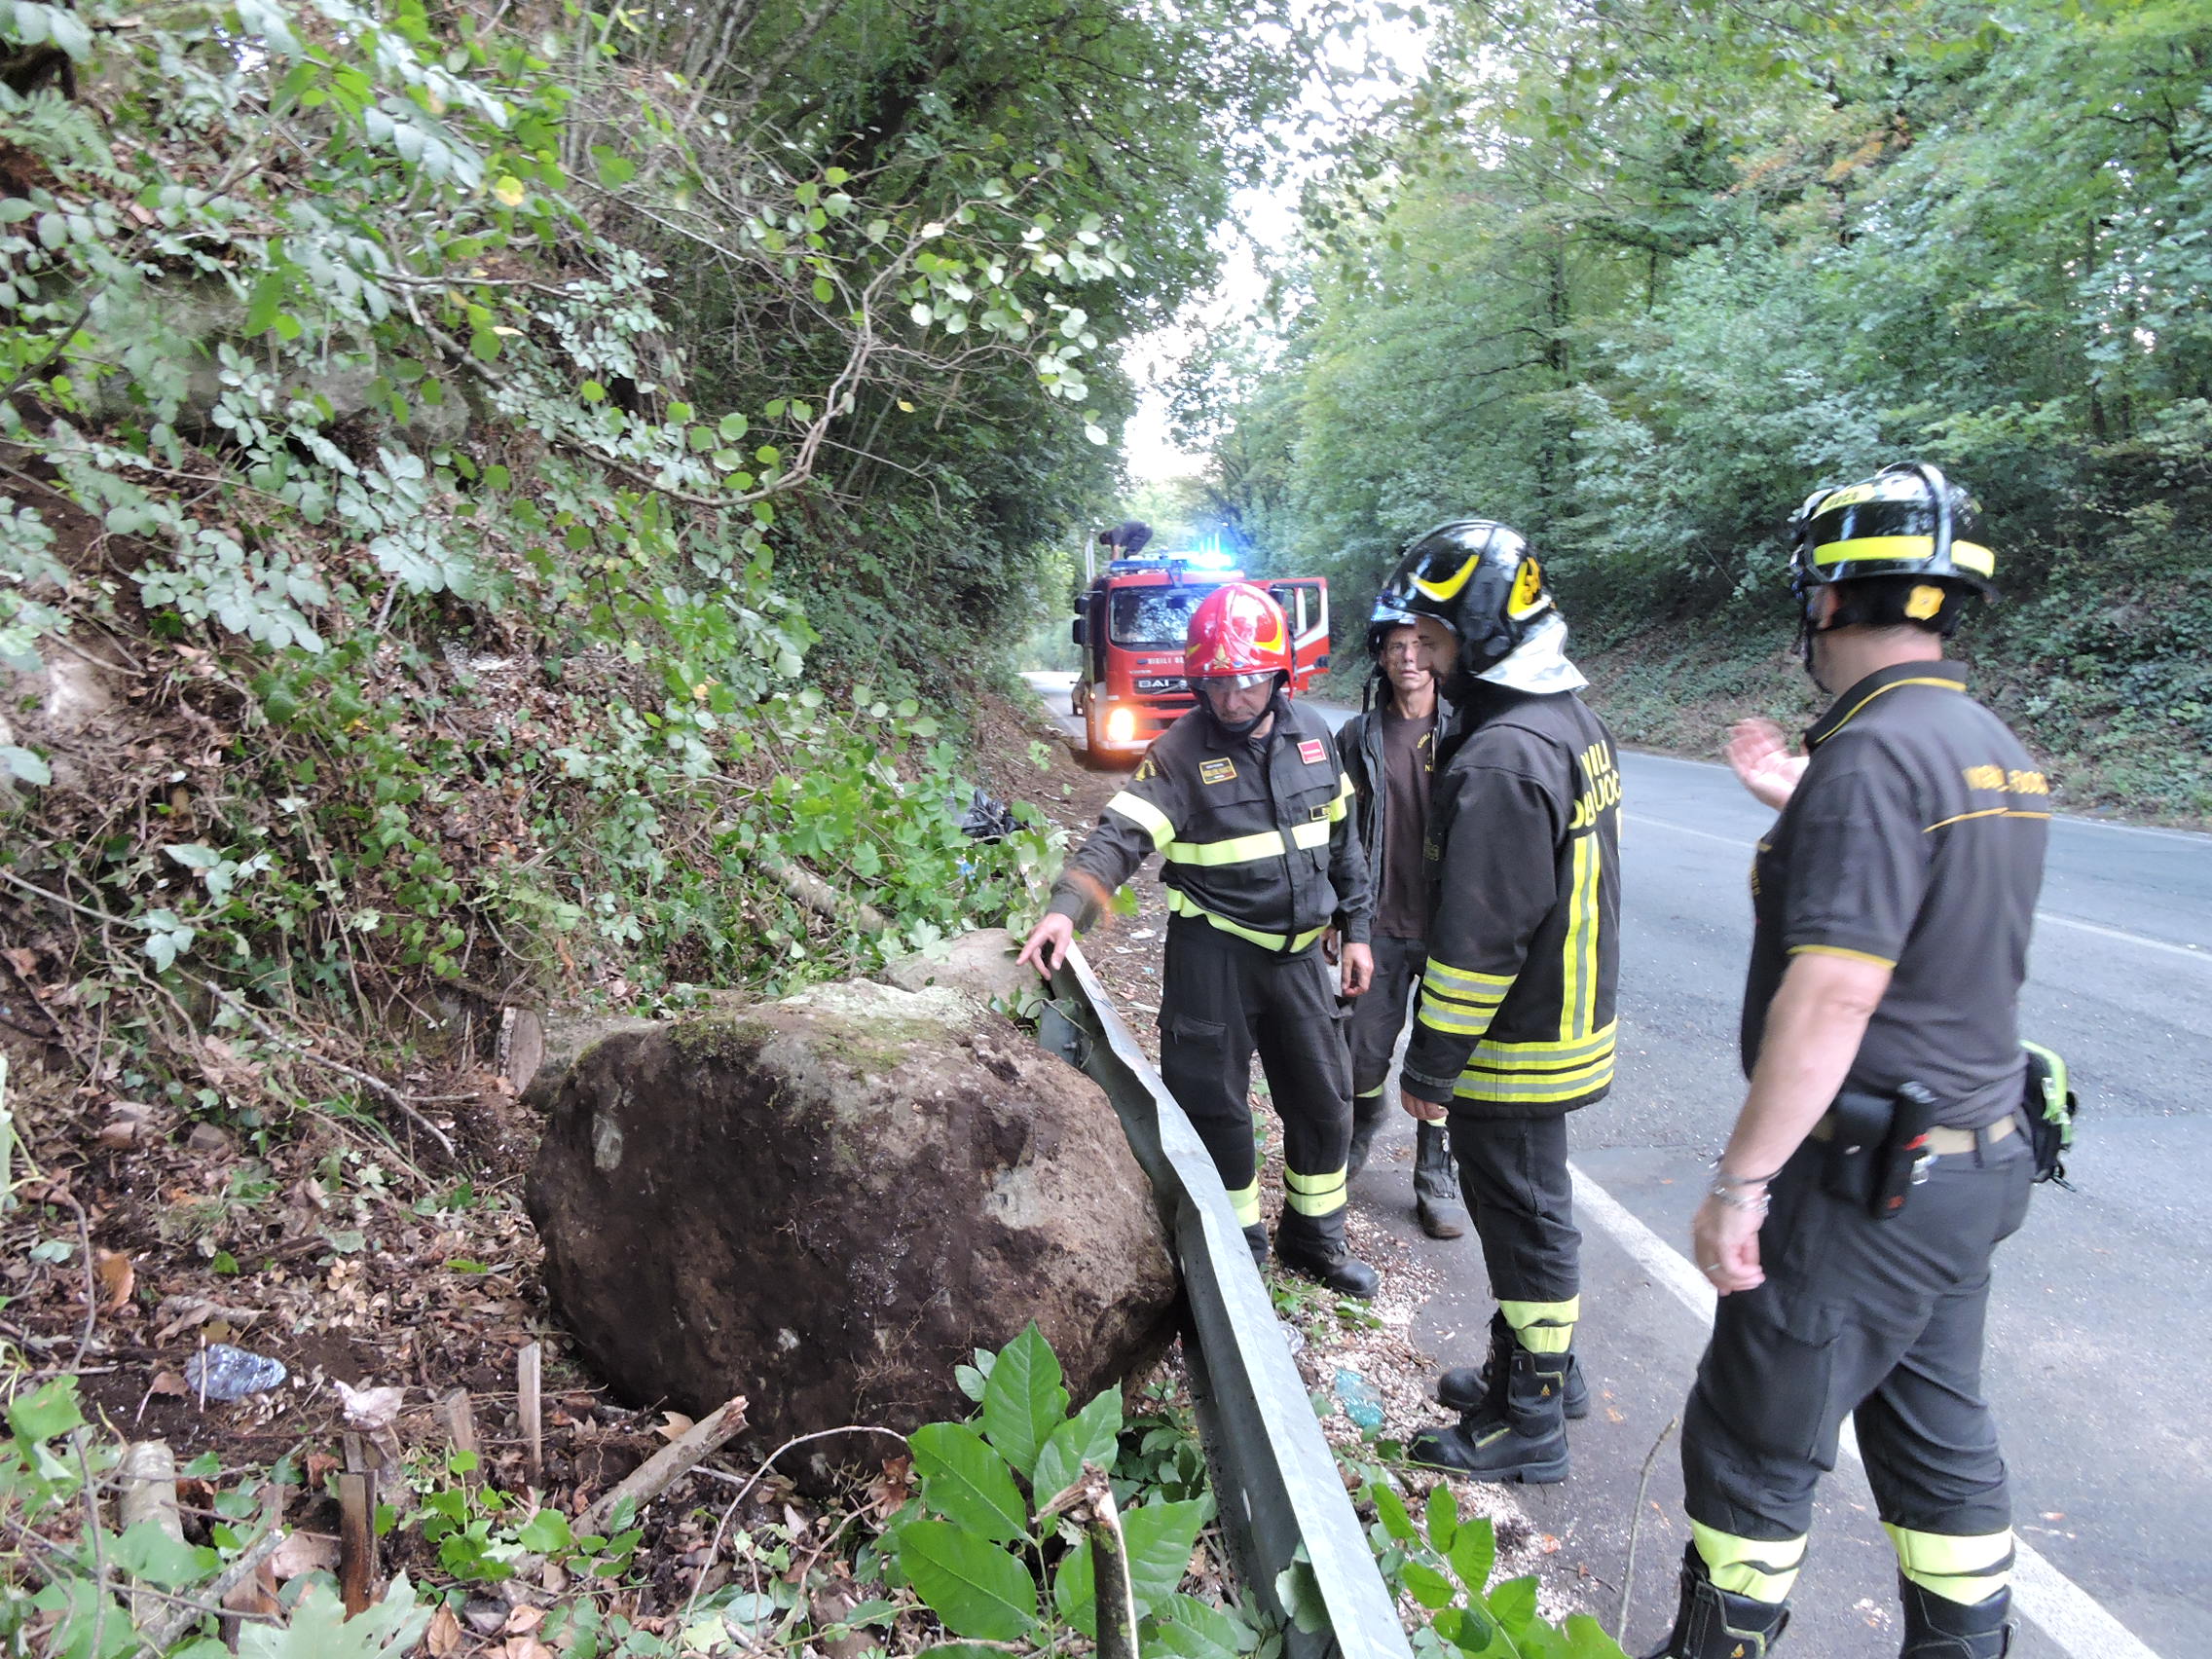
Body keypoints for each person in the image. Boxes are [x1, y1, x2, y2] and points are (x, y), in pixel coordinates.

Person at [1640, 462, 2046, 1659]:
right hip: (1971, 1168)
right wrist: (1800, 800)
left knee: (1753, 1438)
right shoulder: (1986, 747)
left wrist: (1740, 1185)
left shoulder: (1870, 764)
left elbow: (1835, 996)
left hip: (1862, 1184)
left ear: (1825, 599)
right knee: (1935, 1435)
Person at [1016, 581, 1382, 1297]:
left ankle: (1314, 1238)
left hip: (1301, 959)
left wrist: (1358, 929)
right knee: (1212, 1102)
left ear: (1279, 675)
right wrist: (1067, 910)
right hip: (1214, 956)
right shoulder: (1179, 755)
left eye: (1247, 680)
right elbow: (1119, 839)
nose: (1233, 697)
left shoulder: (1312, 737)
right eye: (1217, 682)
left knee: (1322, 1100)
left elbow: (1346, 847)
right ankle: (1234, 1239)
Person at [1379, 520, 1620, 1484]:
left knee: (1525, 1224)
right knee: (1529, 1212)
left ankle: (1532, 1420)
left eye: (1433, 639)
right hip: (1563, 1019)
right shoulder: (1566, 720)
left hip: (1517, 1041)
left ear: (1478, 633)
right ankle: (1532, 1372)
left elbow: (1480, 942)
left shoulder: (1501, 757)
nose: (1422, 658)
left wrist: (1429, 1063)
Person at [1335, 596, 1470, 1239]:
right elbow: (1336, 836)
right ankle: (1363, 1120)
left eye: (1420, 644)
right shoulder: (1356, 738)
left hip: (1450, 928)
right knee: (1361, 1056)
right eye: (1395, 646)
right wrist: (1343, 916)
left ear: (1440, 654)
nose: (1407, 657)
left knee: (1439, 1058)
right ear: (1380, 658)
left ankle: (1434, 1170)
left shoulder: (1469, 730)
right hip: (1378, 925)